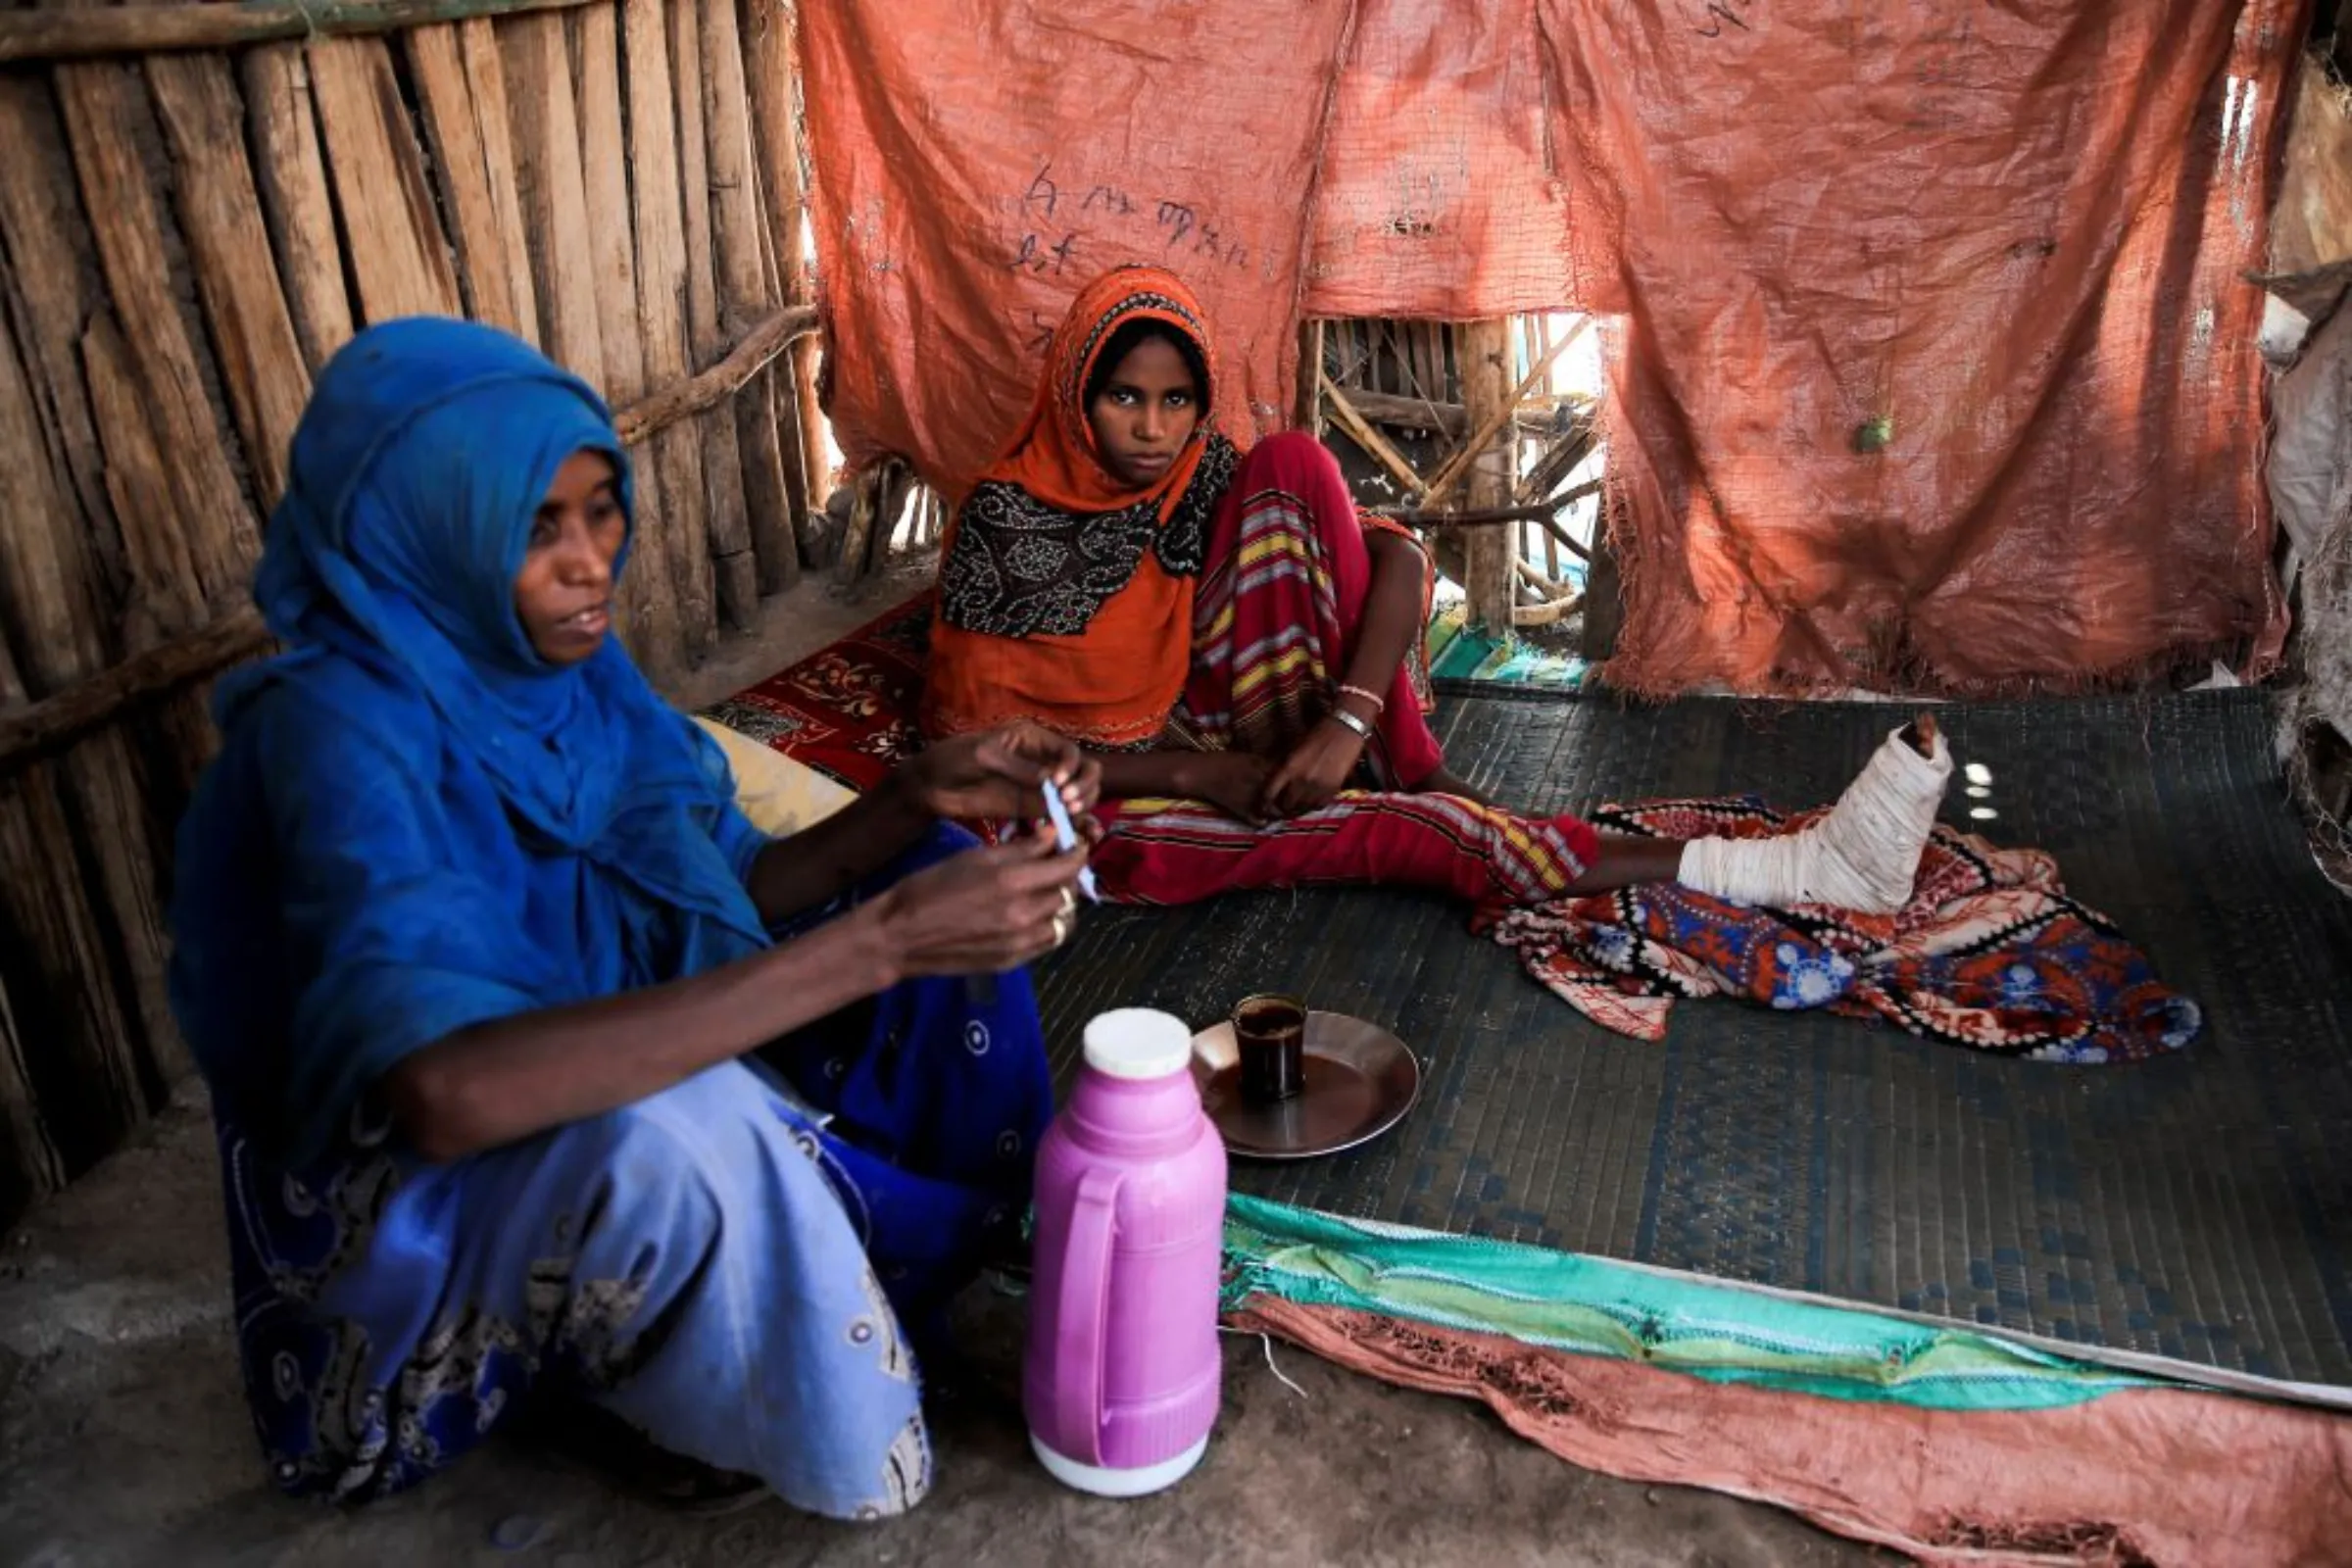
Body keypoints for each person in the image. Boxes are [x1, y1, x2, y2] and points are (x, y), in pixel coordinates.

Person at [168, 318, 1100, 1521]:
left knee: (919, 860)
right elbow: (450, 1098)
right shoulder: (338, 751)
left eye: (598, 512)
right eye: (534, 529)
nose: (588, 563)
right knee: (688, 1125)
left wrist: (918, 791)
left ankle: (909, 1231)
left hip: (590, 1074)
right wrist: (882, 943)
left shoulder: (561, 683)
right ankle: (655, 1378)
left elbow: (722, 887)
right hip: (418, 1259)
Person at [923, 266, 1956, 916]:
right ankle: (1780, 870)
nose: (1153, 426)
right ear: (1076, 395)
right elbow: (974, 765)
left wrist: (1344, 723)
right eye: (1124, 398)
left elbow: (1404, 560)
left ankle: (1385, 767)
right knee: (1402, 838)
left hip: (1224, 732)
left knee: (1295, 463)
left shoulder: (1200, 483)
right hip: (1096, 812)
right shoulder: (1009, 530)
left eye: (1176, 400)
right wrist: (1207, 779)